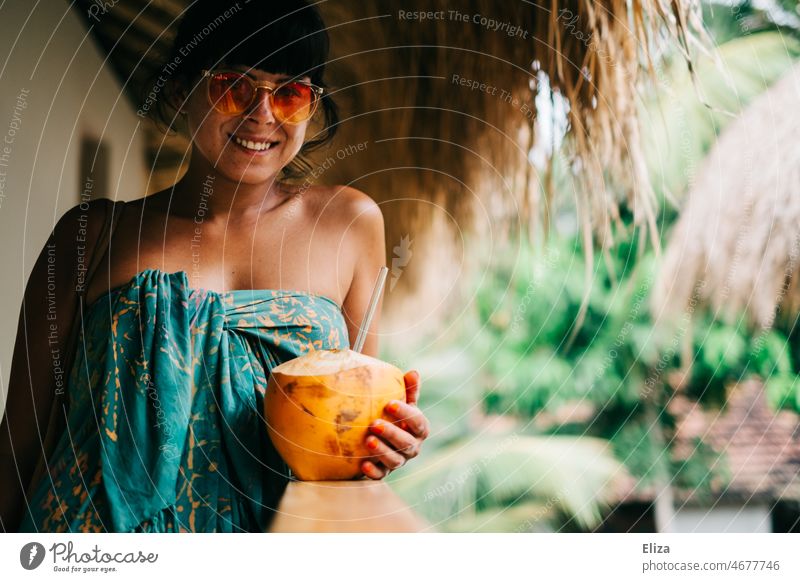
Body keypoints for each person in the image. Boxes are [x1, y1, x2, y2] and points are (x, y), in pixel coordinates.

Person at [0, 0, 429, 533]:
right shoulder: (92, 236)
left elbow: (351, 435)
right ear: (182, 92)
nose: (263, 115)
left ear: (311, 107)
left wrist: (381, 445)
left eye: (290, 92)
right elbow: (21, 439)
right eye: (234, 85)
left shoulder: (350, 223)